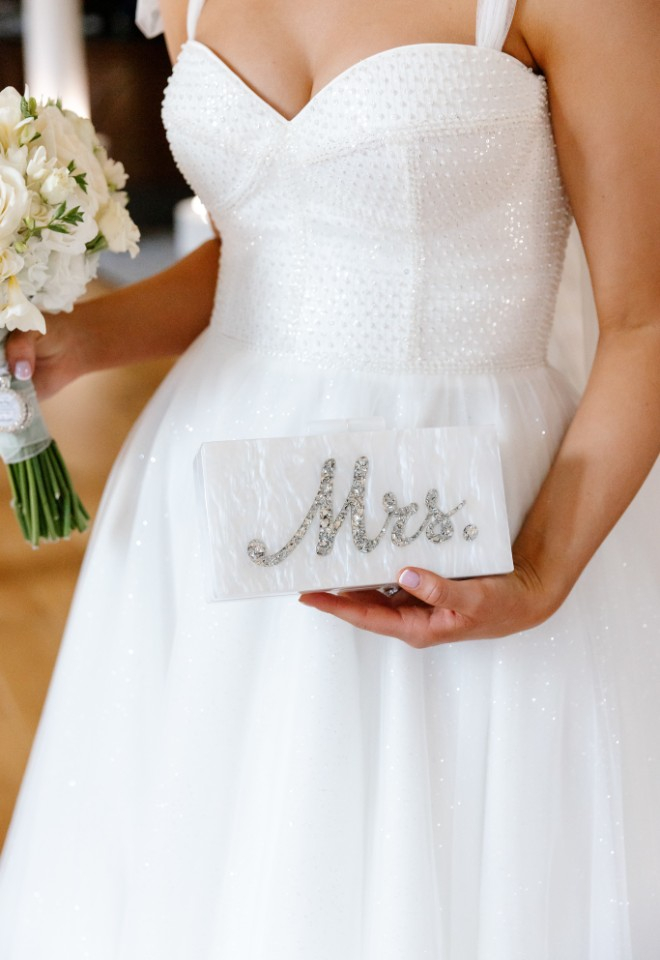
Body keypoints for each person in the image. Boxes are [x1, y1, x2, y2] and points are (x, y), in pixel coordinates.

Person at [0, 0, 659, 956]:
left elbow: (644, 318)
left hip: (472, 503)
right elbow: (263, 253)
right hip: (219, 500)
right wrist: (82, 338)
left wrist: (542, 572)